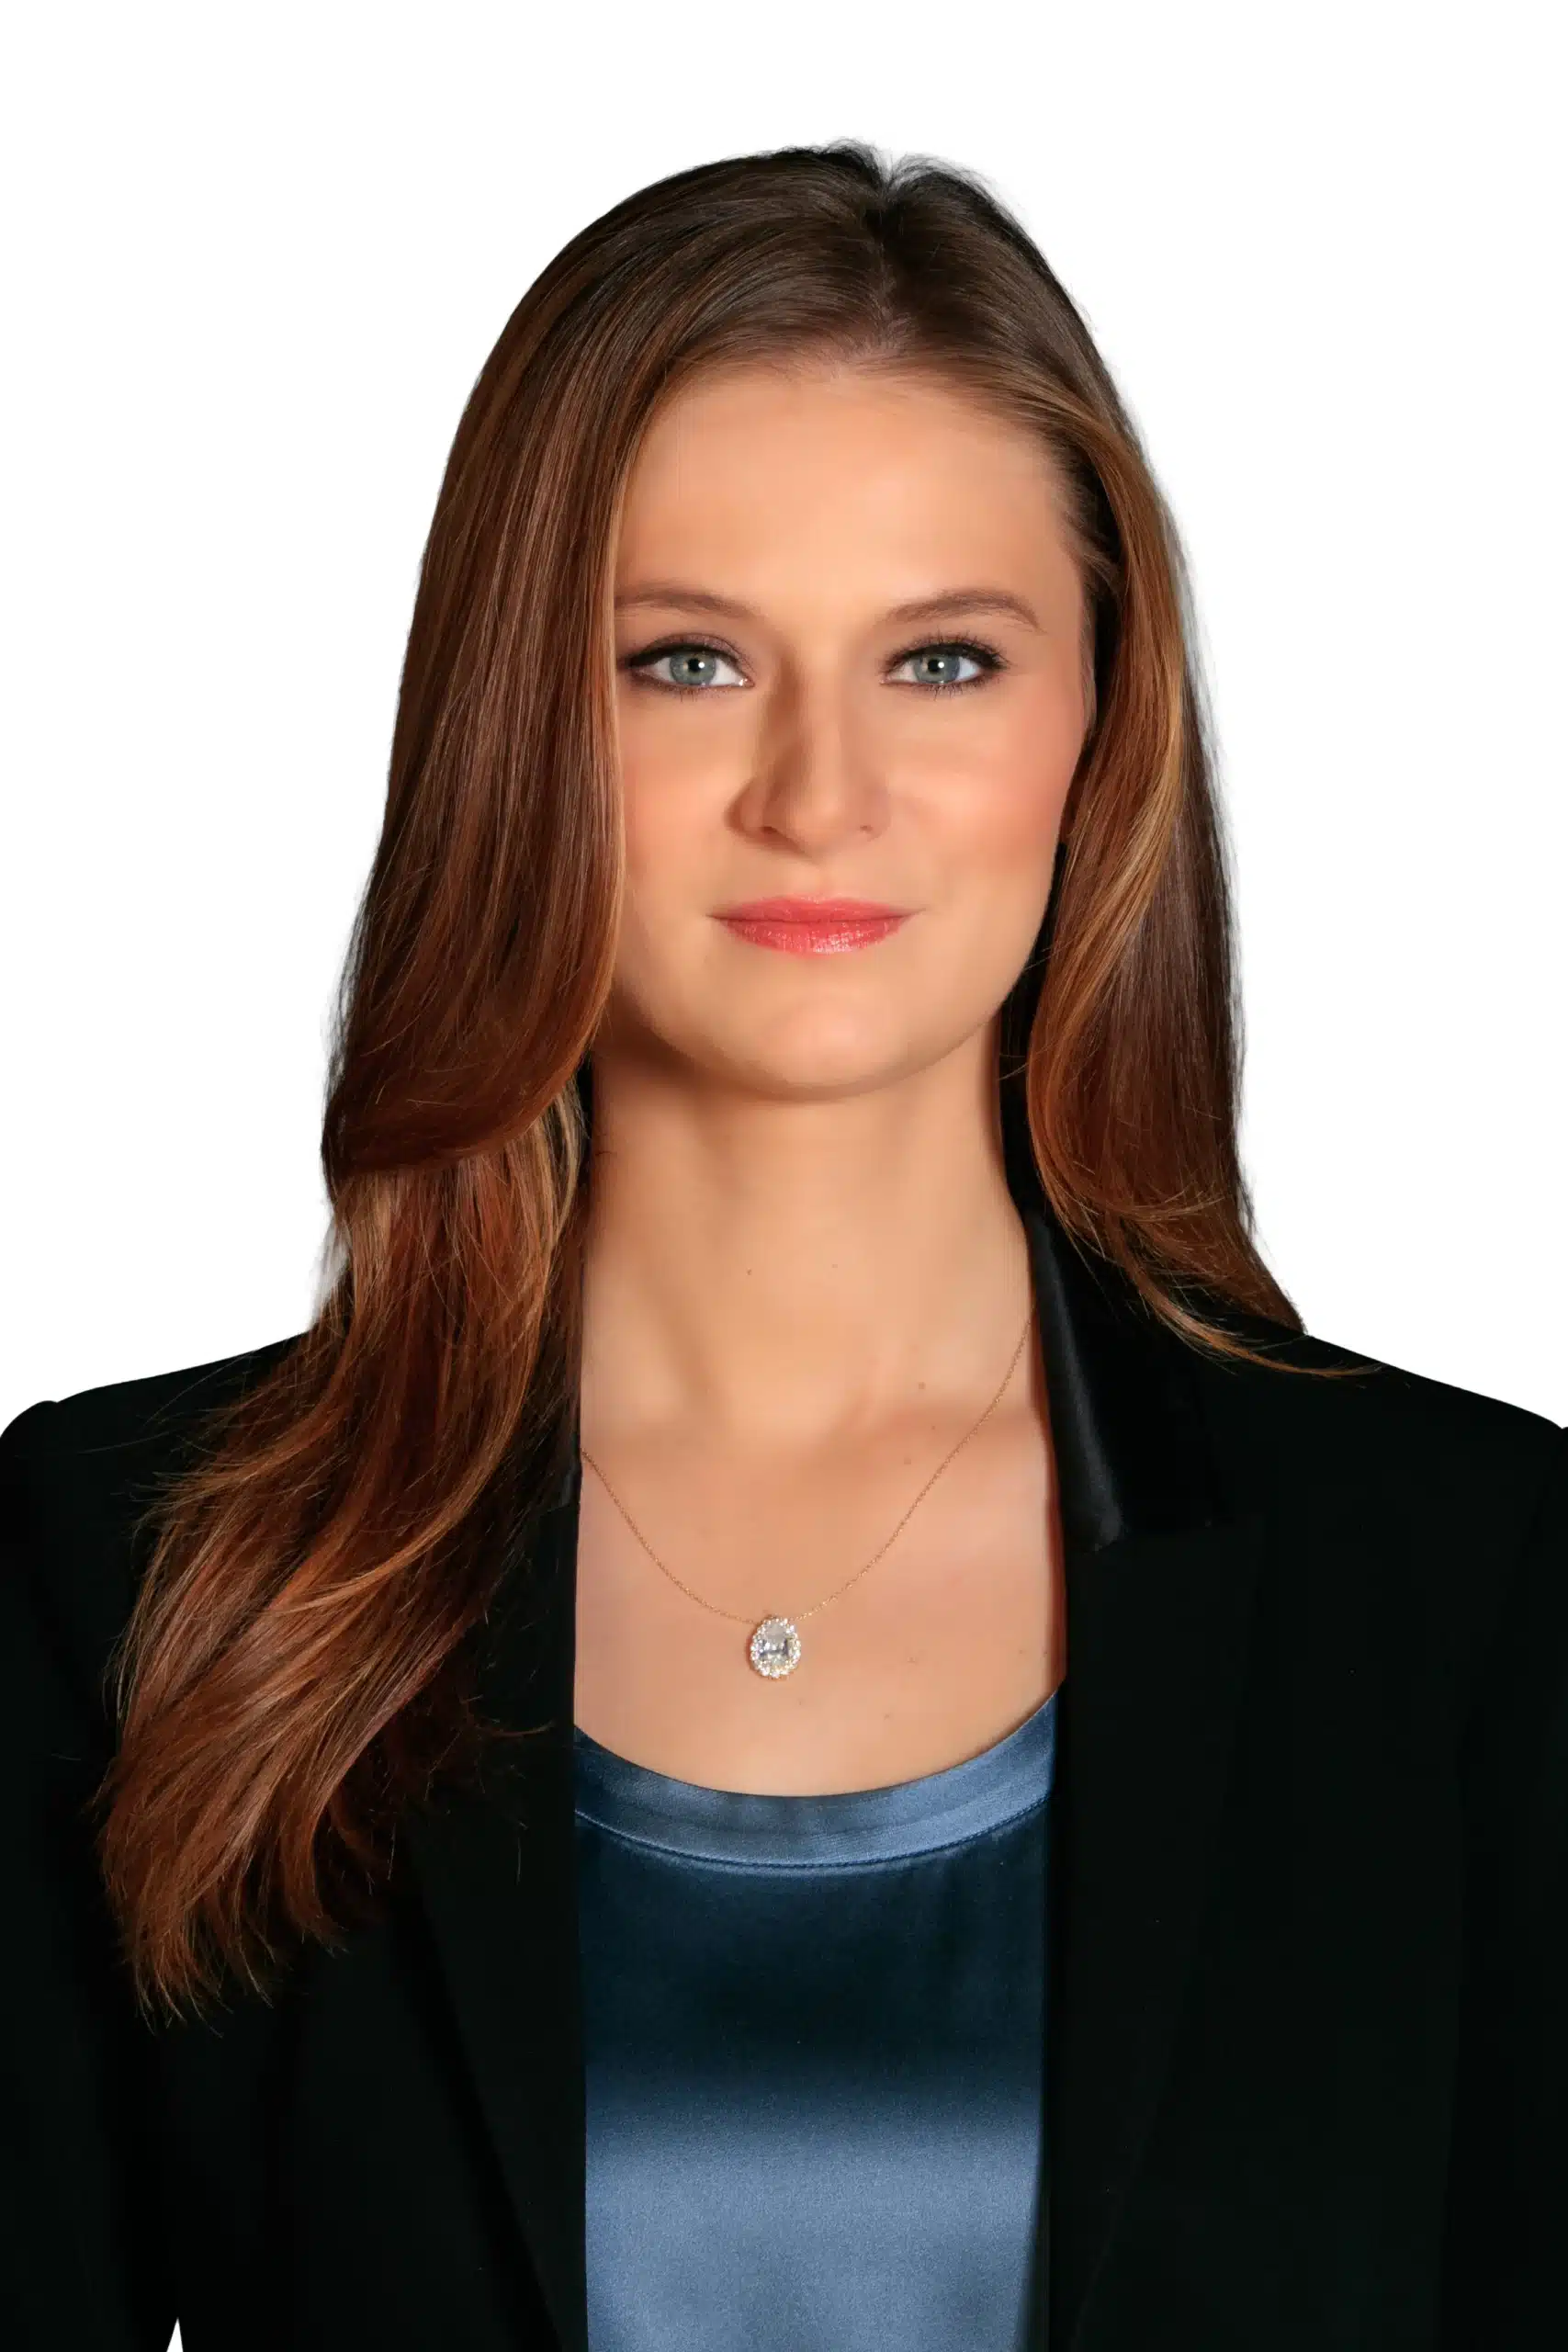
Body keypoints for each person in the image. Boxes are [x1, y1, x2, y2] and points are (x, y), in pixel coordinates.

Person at [1, 140, 1563, 2352]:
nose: (817, 795)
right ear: (512, 729)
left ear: (1097, 729)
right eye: (683, 661)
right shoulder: (135, 1566)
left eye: (939, 658)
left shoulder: (1468, 1576)